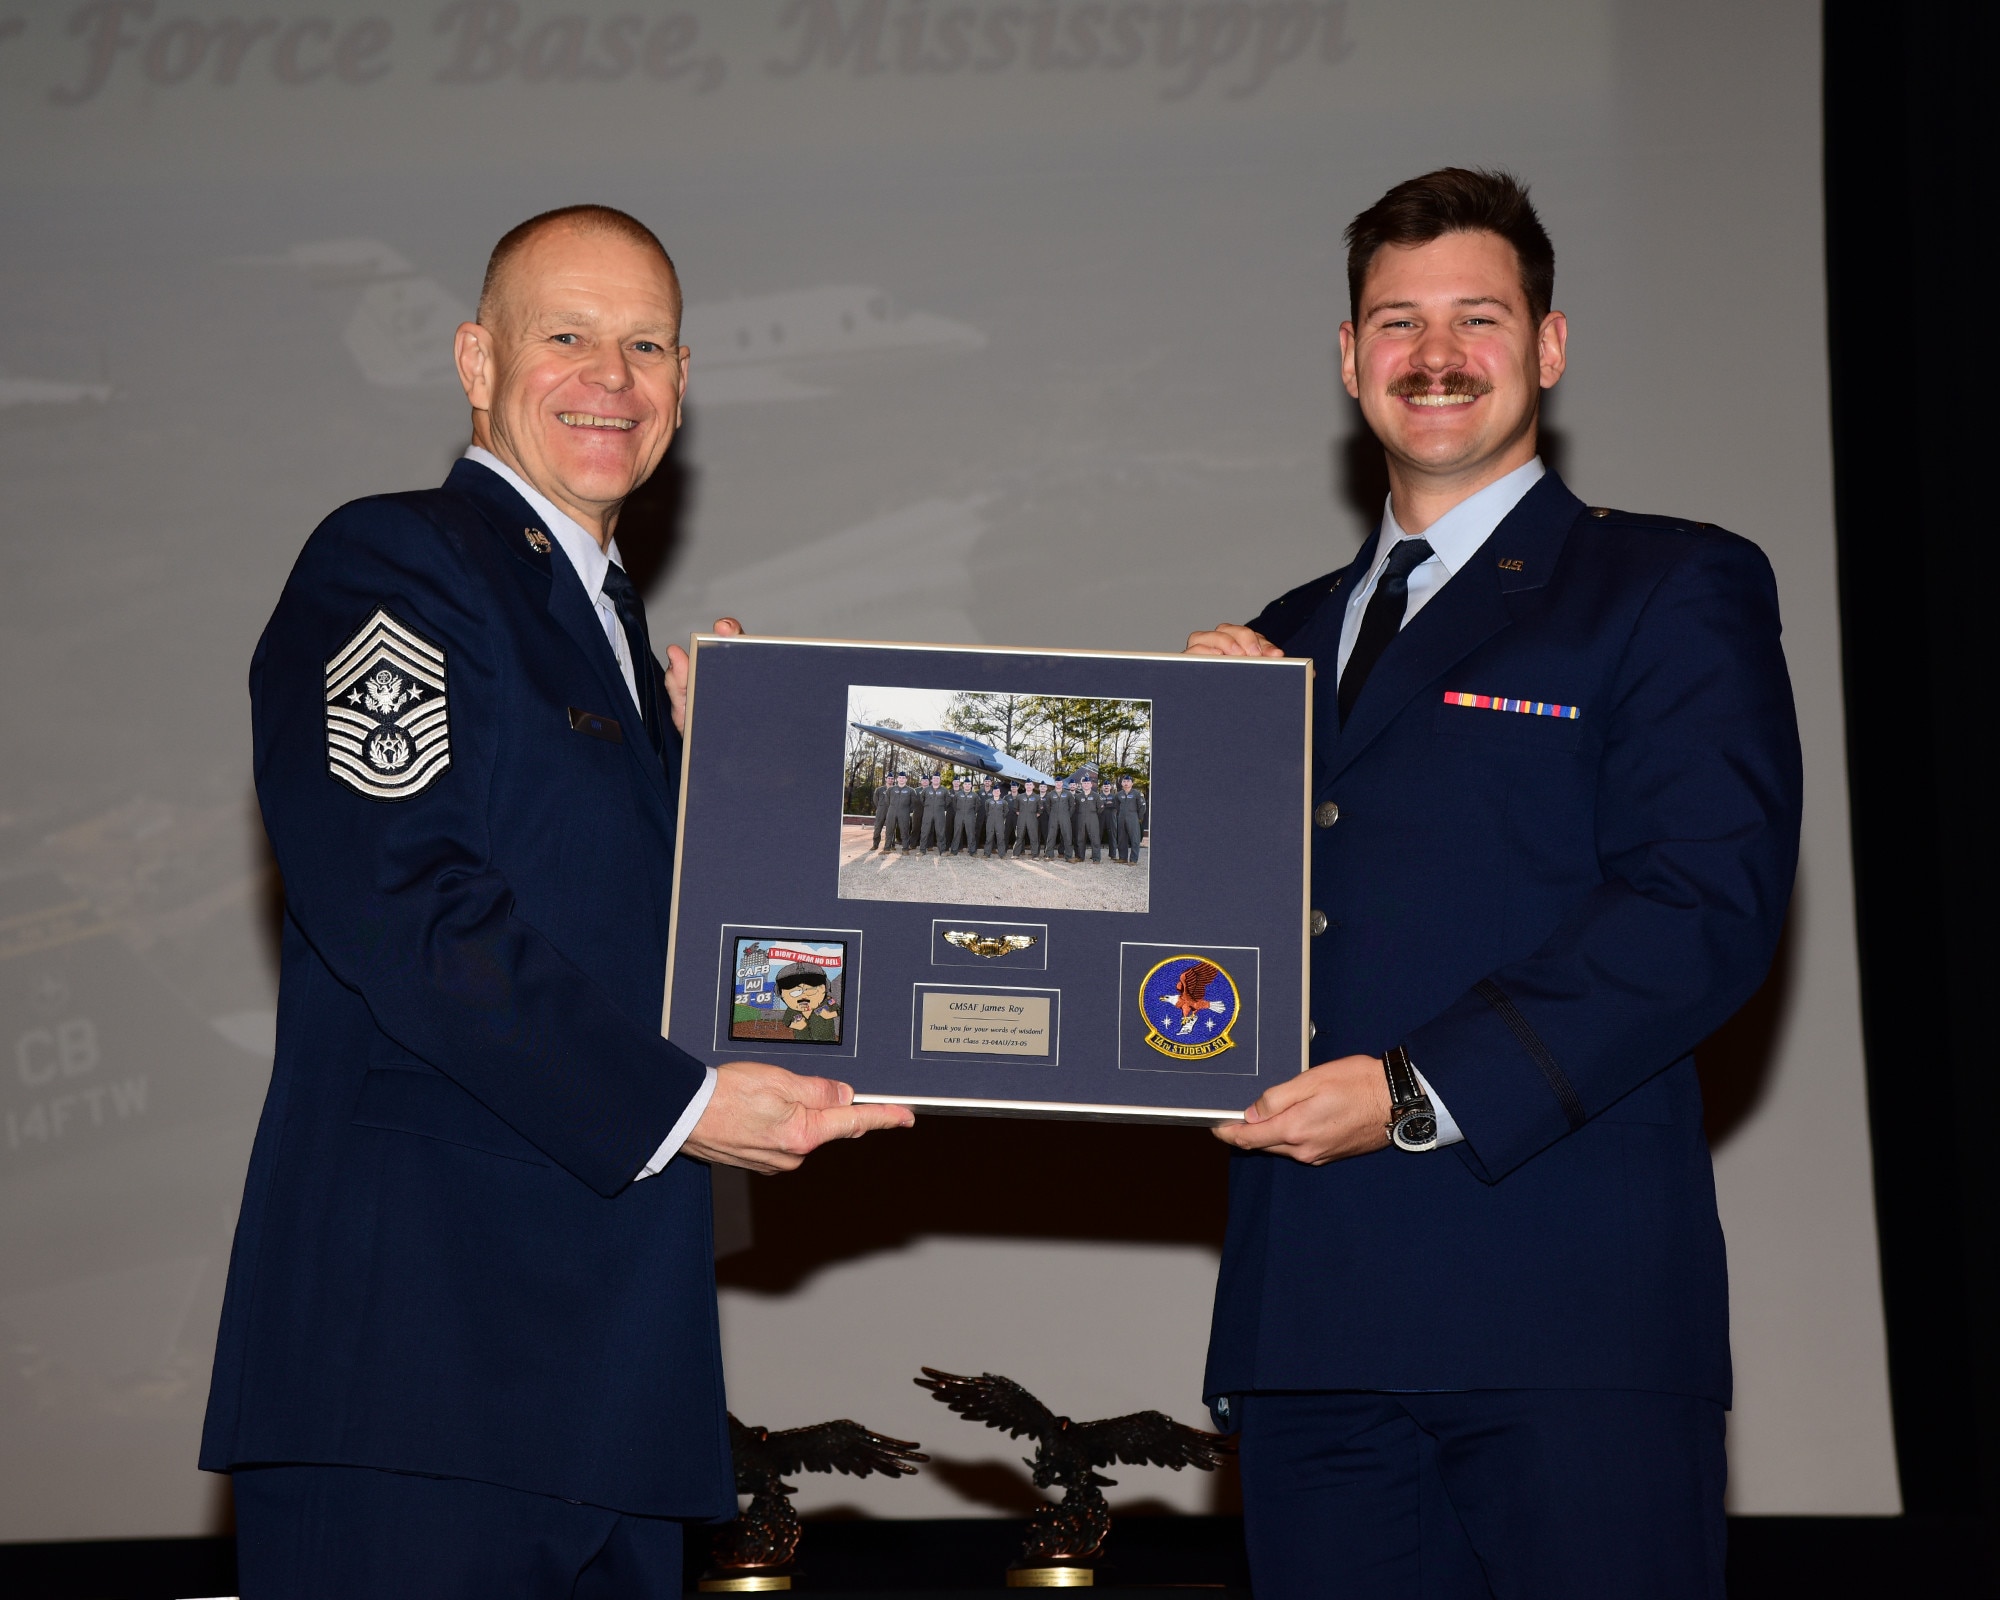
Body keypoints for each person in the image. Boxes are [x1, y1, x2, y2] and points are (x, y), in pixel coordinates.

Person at [200, 204, 914, 1599]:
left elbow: (618, 928)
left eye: (646, 344)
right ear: (477, 362)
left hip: (610, 1395)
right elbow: (406, 905)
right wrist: (688, 1106)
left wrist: (741, 799)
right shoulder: (395, 563)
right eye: (567, 337)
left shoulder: (619, 647)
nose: (613, 378)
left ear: (685, 386)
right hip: (418, 1376)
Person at [1186, 169, 1800, 1600]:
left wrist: (1410, 1089)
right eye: (1397, 322)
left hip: (1566, 1333)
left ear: (1551, 344)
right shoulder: (1269, 649)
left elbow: (1701, 911)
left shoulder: (1667, 587)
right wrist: (1185, 772)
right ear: (1350, 359)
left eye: (1478, 315)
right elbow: (1176, 955)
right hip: (1310, 1339)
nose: (1436, 355)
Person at [1115, 775, 1148, 864]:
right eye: (1124, 781)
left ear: (1132, 783)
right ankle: (1123, 858)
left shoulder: (1137, 793)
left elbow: (1142, 807)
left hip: (1133, 817)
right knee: (1122, 838)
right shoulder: (1118, 794)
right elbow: (1117, 806)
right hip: (1121, 818)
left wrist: (1139, 818)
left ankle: (1133, 859)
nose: (1126, 783)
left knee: (1135, 839)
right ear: (1121, 783)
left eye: (1128, 781)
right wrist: (1120, 815)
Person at [1075, 776, 1105, 863]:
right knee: (1080, 838)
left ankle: (1096, 858)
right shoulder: (1078, 796)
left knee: (1095, 838)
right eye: (1084, 783)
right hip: (1081, 818)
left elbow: (1101, 808)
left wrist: (1093, 814)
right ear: (1082, 785)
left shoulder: (1096, 796)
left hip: (1092, 818)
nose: (1086, 785)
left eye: (1088, 783)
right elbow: (1075, 808)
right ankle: (1080, 857)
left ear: (1091, 785)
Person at [950, 777, 980, 855]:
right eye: (966, 784)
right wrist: (959, 812)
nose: (967, 785)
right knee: (956, 833)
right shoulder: (958, 794)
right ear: (963, 785)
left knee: (971, 833)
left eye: (969, 784)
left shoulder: (975, 795)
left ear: (971, 785)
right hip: (959, 815)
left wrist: (972, 813)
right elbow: (954, 804)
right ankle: (953, 851)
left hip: (970, 816)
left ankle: (972, 851)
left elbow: (977, 806)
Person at [868, 772, 891, 850]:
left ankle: (890, 845)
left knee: (890, 828)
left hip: (891, 810)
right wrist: (880, 807)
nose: (890, 780)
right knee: (877, 827)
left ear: (894, 780)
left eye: (891, 779)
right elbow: (875, 800)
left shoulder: (895, 789)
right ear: (886, 779)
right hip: (881, 810)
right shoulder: (879, 789)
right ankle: (875, 844)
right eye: (889, 778)